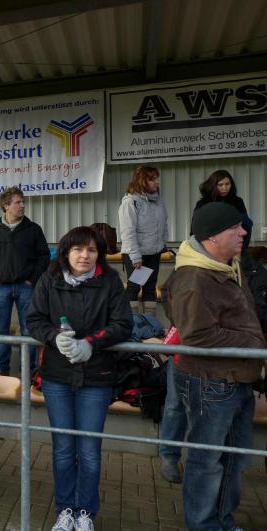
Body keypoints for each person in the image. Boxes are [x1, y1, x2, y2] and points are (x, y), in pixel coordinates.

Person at [162, 202, 265, 531]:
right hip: (211, 383)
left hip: (234, 380)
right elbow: (198, 335)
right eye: (235, 227)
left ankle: (222, 521)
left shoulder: (226, 267)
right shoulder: (194, 278)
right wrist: (254, 344)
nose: (243, 232)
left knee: (233, 460)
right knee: (207, 462)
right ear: (212, 237)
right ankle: (204, 525)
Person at [27, 226, 133, 531]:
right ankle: (65, 509)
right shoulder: (49, 279)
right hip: (57, 377)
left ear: (99, 254)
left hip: (97, 376)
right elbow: (33, 319)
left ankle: (85, 511)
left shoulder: (110, 281)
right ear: (66, 252)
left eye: (91, 250)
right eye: (78, 249)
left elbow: (123, 324)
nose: (84, 255)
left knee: (89, 451)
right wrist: (53, 337)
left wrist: (91, 343)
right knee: (63, 449)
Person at [0, 186, 49, 376]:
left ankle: (30, 371)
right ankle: (2, 369)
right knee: (1, 330)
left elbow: (44, 256)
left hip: (27, 287)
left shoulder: (33, 229)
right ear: (6, 206)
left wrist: (32, 279)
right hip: (1, 288)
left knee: (29, 330)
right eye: (18, 202)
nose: (23, 205)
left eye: (23, 202)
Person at [117, 166, 168, 315]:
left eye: (157, 178)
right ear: (142, 181)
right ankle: (131, 322)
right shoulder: (130, 202)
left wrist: (163, 243)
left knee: (150, 287)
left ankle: (150, 322)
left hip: (154, 253)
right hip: (137, 254)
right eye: (152, 179)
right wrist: (135, 256)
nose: (157, 182)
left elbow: (164, 224)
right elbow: (128, 231)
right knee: (134, 287)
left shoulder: (159, 202)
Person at [194, 169, 251, 247]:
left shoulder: (237, 201)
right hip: (209, 244)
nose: (224, 188)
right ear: (213, 186)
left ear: (231, 184)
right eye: (220, 185)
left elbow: (246, 223)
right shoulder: (203, 203)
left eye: (227, 184)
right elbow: (195, 228)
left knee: (248, 222)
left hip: (233, 242)